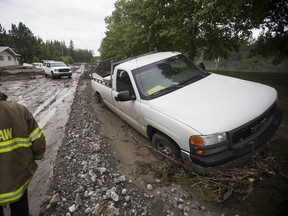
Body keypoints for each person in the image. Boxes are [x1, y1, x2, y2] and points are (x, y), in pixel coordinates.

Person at [0, 91, 46, 216]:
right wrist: (36, 158)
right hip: (18, 176)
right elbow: (38, 142)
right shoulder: (18, 110)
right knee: (20, 209)